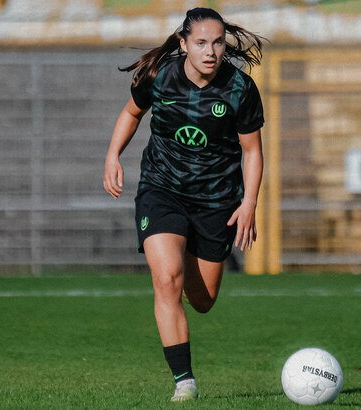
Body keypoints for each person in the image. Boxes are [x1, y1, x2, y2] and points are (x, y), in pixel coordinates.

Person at [103, 7, 265, 402]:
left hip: (216, 200)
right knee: (167, 279)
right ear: (183, 43)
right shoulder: (160, 76)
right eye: (201, 43)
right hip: (163, 190)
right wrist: (112, 155)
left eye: (218, 43)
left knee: (204, 301)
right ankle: (184, 383)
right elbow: (131, 113)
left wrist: (249, 204)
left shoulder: (240, 89)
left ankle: (194, 244)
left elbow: (252, 152)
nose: (211, 51)